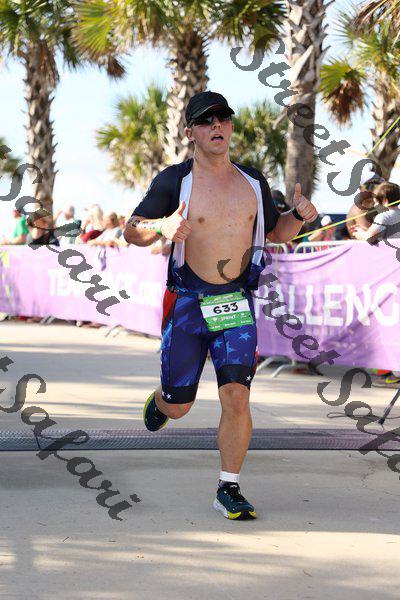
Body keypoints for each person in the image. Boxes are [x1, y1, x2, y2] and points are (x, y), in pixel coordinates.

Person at [123, 91, 318, 520]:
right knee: (180, 406)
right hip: (188, 303)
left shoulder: (253, 181)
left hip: (235, 304)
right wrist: (161, 226)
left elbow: (277, 232)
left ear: (230, 126)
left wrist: (300, 216)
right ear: (189, 132)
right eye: (206, 121)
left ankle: (228, 487)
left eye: (223, 118)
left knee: (236, 397)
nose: (217, 126)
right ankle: (163, 402)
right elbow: (131, 230)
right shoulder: (174, 180)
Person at [351, 181, 400, 389]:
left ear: (385, 200)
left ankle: (393, 371)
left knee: (388, 325)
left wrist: (359, 233)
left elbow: (369, 238)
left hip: (388, 279)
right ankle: (389, 369)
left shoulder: (384, 216)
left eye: (378, 202)